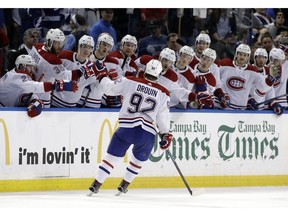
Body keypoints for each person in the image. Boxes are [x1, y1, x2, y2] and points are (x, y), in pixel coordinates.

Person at [88, 59, 173, 195]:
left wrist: (102, 75)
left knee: (112, 157)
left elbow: (110, 89)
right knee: (138, 159)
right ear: (159, 73)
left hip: (127, 128)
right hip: (147, 133)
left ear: (145, 70)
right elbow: (162, 117)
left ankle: (97, 183)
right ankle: (124, 184)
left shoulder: (130, 81)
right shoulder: (164, 92)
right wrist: (165, 134)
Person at [29, 28, 93, 107]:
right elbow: (66, 76)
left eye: (61, 43)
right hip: (41, 98)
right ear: (49, 42)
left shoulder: (37, 46)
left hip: (29, 92)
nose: (59, 46)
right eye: (56, 43)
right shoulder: (52, 60)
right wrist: (81, 71)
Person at [0, 55, 77, 117]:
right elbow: (34, 87)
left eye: (33, 67)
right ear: (21, 66)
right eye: (30, 67)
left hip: (5, 112)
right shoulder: (15, 77)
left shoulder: (21, 78)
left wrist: (37, 103)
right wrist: (55, 86)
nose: (32, 70)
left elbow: (31, 94)